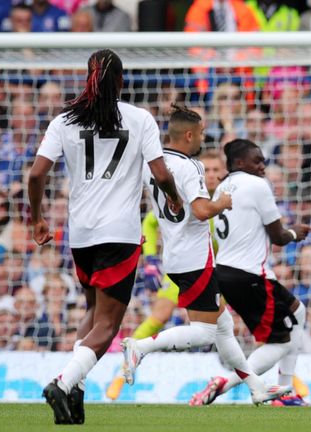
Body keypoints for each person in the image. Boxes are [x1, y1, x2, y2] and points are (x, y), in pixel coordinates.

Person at [30, 49, 182, 425]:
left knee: (93, 313)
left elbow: (36, 175)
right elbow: (161, 174)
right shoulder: (139, 118)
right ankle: (63, 384)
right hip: (120, 233)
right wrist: (176, 200)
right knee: (109, 324)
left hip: (80, 234)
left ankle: (75, 393)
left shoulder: (64, 120)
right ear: (120, 80)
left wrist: (37, 218)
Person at [121, 105, 289, 405]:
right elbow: (200, 211)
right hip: (196, 259)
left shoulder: (155, 165)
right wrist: (222, 202)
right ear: (188, 134)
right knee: (205, 333)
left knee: (223, 328)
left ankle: (256, 387)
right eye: (200, 133)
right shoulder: (189, 166)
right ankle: (140, 347)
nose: (202, 138)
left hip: (175, 255)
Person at [188, 139, 311, 407]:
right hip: (250, 276)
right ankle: (227, 382)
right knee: (282, 341)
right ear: (240, 162)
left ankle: (287, 389)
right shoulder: (257, 185)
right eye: (258, 161)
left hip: (230, 272)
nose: (263, 167)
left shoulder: (222, 187)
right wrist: (295, 233)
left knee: (298, 312)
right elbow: (278, 236)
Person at [105, 150, 227, 400]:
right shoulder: (193, 196)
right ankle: (120, 371)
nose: (212, 175)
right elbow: (150, 222)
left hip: (215, 272)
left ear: (224, 173)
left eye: (217, 170)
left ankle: (262, 379)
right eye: (209, 170)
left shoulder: (227, 202)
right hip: (185, 268)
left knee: (228, 325)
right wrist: (149, 258)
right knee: (163, 316)